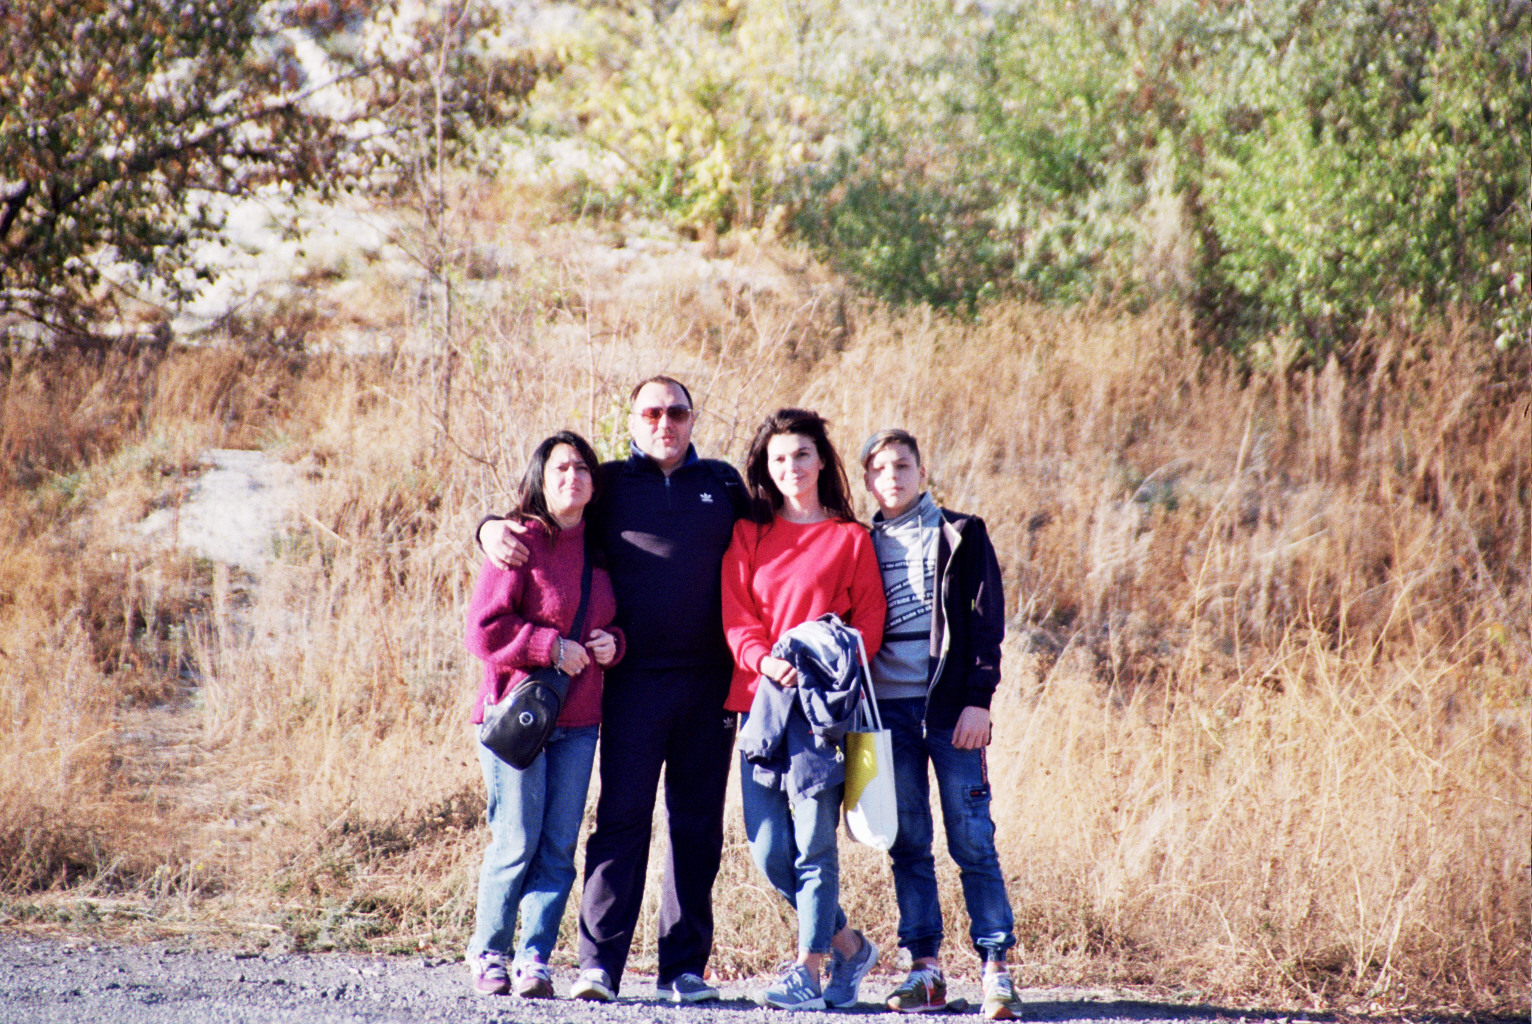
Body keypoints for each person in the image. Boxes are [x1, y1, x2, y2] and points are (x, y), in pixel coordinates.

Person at [476, 377, 746, 1003]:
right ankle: (599, 967)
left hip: (709, 685)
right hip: (628, 685)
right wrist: (488, 528)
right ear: (632, 419)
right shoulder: (612, 486)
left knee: (696, 826)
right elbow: (549, 516)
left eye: (676, 412)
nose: (664, 423)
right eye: (651, 412)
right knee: (621, 822)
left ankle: (684, 969)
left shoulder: (725, 484)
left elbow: (786, 524)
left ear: (692, 418)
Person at [721, 408, 887, 1011]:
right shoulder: (749, 535)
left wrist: (826, 660)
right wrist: (765, 660)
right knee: (768, 848)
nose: (791, 466)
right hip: (761, 706)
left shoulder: (850, 538)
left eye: (802, 455)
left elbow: (870, 622)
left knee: (814, 846)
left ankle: (807, 970)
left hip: (821, 715)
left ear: (822, 460)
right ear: (767, 468)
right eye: (779, 458)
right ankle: (849, 945)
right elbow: (737, 615)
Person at [858, 428, 1025, 1020]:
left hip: (950, 710)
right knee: (906, 843)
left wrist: (980, 699)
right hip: (880, 716)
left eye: (903, 465)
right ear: (868, 481)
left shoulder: (961, 533)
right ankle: (925, 971)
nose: (892, 477)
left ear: (922, 473)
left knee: (972, 839)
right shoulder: (857, 541)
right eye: (879, 469)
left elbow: (986, 622)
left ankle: (997, 969)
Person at [464, 431, 625, 999]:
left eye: (582, 469)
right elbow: (482, 631)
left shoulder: (603, 549)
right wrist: (548, 648)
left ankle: (535, 958)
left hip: (579, 722)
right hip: (516, 720)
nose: (572, 478)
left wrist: (614, 645)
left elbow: (611, 623)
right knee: (515, 840)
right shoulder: (518, 541)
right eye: (560, 469)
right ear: (540, 477)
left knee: (558, 847)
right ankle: (490, 954)